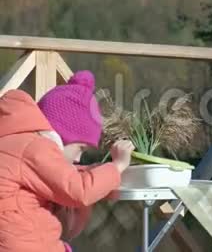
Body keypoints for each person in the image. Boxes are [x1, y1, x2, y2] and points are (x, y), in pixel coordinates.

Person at [0, 71, 134, 252]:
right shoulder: (35, 148)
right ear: (62, 135)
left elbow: (55, 173)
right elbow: (78, 190)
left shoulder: (17, 140)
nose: (79, 158)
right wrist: (117, 166)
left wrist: (94, 172)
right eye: (80, 148)